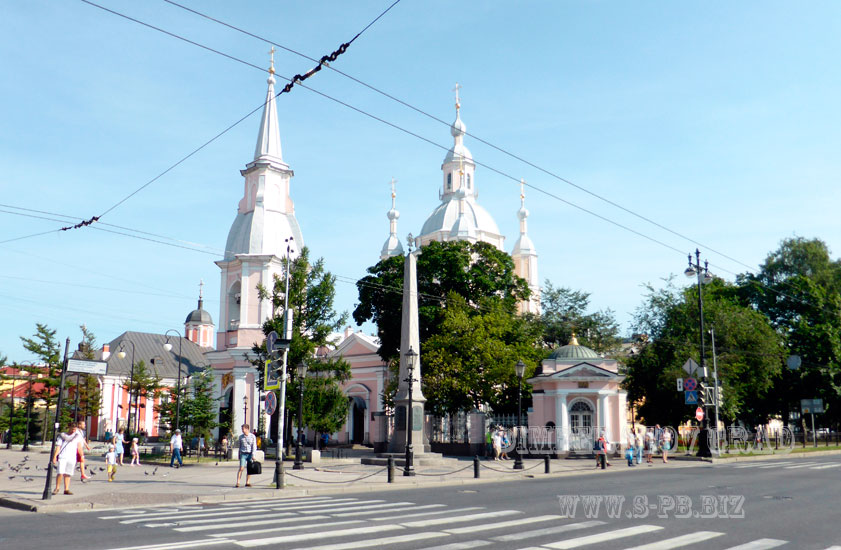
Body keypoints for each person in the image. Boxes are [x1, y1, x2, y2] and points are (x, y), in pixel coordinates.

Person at [53, 422, 83, 495]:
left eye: (75, 429)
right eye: (72, 429)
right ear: (68, 428)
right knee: (60, 472)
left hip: (72, 457)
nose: (73, 431)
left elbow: (79, 447)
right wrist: (54, 457)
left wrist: (82, 456)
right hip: (63, 456)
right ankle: (57, 488)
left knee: (68, 473)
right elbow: (58, 447)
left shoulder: (77, 436)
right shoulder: (62, 436)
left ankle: (66, 489)